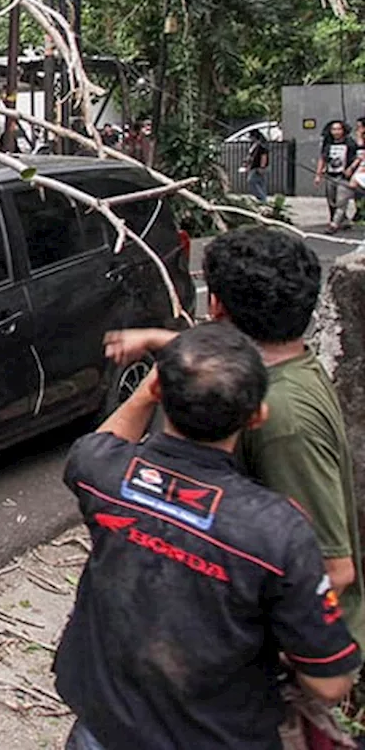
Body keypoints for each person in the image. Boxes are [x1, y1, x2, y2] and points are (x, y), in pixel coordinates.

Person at [54, 323, 360, 750]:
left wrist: (150, 386)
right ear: (257, 416)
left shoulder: (102, 476)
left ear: (159, 392)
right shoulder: (276, 532)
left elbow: (100, 443)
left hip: (103, 731)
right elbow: (330, 683)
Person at [104, 227, 365, 648]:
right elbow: (228, 359)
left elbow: (335, 570)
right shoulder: (284, 368)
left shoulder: (282, 421)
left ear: (216, 305)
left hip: (288, 658)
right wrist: (158, 340)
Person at [315, 119, 352, 231]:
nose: (336, 132)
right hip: (330, 175)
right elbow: (322, 159)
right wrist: (318, 174)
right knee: (332, 200)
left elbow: (358, 157)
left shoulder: (350, 143)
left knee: (341, 201)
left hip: (344, 176)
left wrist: (351, 168)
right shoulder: (328, 144)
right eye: (333, 129)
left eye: (338, 129)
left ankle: (334, 225)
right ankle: (344, 220)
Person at [244, 129, 270, 203]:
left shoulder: (261, 145)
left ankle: (262, 198)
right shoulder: (254, 145)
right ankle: (263, 199)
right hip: (254, 166)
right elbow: (251, 156)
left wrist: (262, 167)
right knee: (260, 183)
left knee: (251, 181)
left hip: (258, 167)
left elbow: (263, 156)